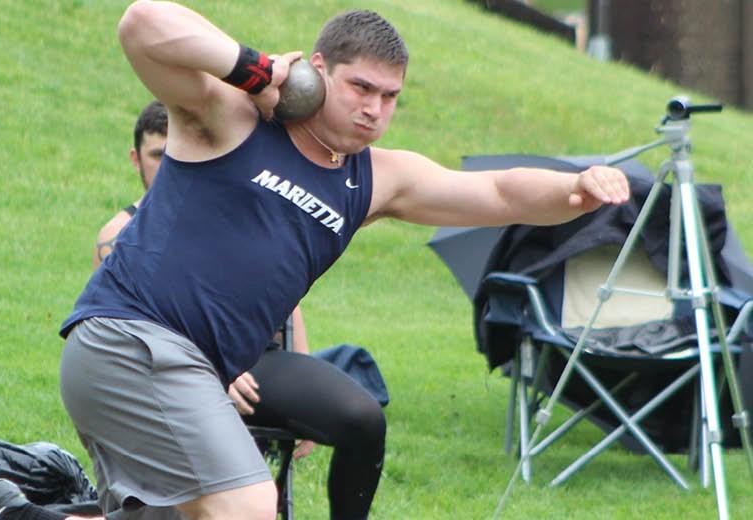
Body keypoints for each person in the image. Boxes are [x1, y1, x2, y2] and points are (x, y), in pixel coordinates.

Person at [59, 2, 631, 519]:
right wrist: (254, 70)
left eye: (389, 96)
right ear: (316, 70)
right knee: (251, 504)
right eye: (360, 87)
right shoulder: (233, 119)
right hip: (132, 339)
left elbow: (501, 194)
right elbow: (142, 25)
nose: (374, 110)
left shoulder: (375, 179)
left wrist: (573, 190)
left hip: (193, 368)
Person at [91, 100, 387, 518]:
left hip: (257, 358)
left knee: (363, 419)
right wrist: (209, 374)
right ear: (136, 159)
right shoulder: (118, 233)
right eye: (157, 155)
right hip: (173, 363)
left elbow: (286, 296)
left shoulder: (227, 199)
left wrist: (300, 374)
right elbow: (125, 322)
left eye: (172, 150)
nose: (167, 162)